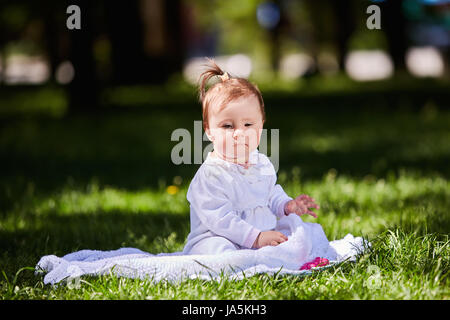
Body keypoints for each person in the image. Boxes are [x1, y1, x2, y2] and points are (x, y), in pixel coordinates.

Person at [182, 58, 320, 255]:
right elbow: (220, 218)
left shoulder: (261, 163)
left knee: (297, 232)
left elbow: (270, 194)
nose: (239, 133)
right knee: (220, 252)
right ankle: (243, 258)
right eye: (227, 126)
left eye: (248, 125)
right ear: (209, 131)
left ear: (261, 126)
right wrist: (255, 238)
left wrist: (287, 205)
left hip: (261, 234)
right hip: (218, 237)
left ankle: (264, 254)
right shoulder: (211, 175)